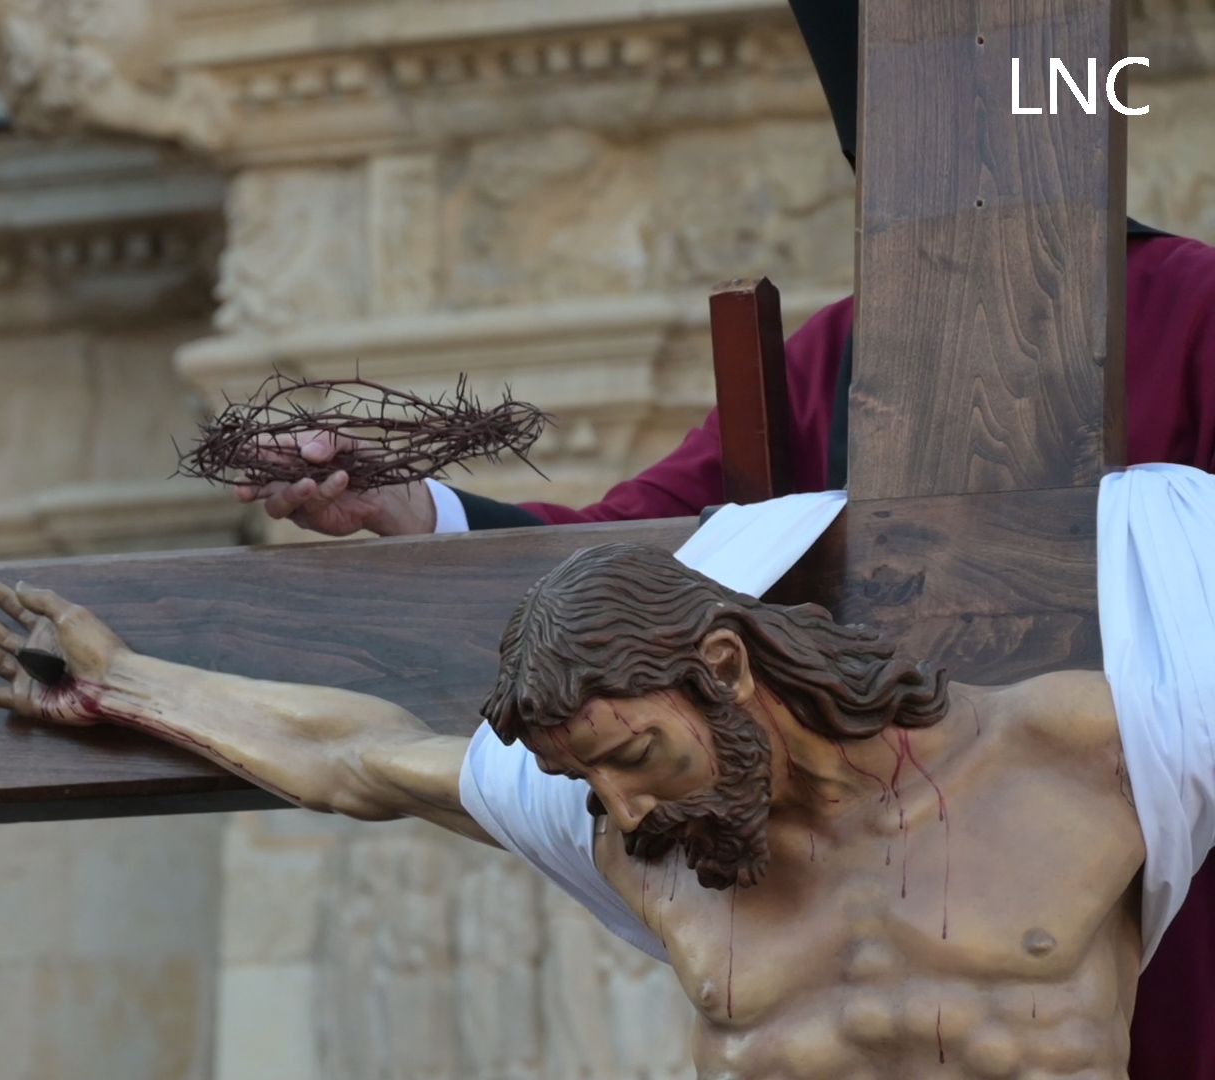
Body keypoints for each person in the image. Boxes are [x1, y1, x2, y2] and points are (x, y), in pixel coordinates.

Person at [234, 5, 1215, 1075]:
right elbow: (644, 567)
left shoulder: (1197, 309)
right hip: (865, 915)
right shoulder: (835, 359)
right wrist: (421, 515)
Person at [0, 460, 1215, 1077]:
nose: (618, 810)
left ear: (723, 664)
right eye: (591, 781)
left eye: (631, 757)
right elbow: (363, 759)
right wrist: (127, 685)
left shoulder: (1075, 753)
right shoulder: (652, 851)